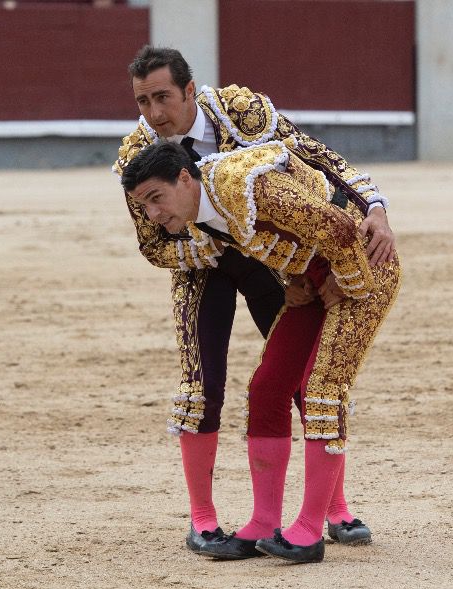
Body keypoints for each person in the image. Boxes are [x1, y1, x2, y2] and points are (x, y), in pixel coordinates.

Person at [113, 45, 395, 556]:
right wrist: (226, 243)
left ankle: (334, 506)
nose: (154, 114)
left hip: (278, 261)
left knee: (304, 379)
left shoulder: (240, 113)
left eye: (162, 98)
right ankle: (203, 518)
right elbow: (156, 245)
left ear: (189, 91)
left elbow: (313, 158)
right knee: (203, 386)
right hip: (201, 268)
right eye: (141, 102)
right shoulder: (139, 158)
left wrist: (371, 202)